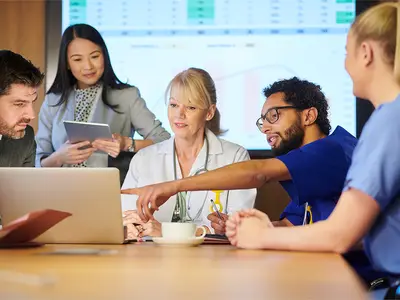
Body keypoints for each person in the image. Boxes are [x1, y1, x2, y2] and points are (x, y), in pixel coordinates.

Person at [222, 2, 399, 298]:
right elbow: (363, 232)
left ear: (366, 53)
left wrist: (261, 236)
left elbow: (341, 235)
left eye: (346, 52)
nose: (344, 64)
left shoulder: (387, 123)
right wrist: (273, 231)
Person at [122, 77, 357, 231]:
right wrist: (235, 227)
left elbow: (259, 173)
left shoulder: (333, 150)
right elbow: (288, 224)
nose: (265, 127)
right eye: (262, 120)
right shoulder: (311, 167)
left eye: (274, 116)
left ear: (308, 116)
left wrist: (174, 186)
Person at [122, 68, 256, 238]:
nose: (179, 114)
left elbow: (241, 227)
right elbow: (125, 218)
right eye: (173, 105)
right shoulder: (143, 159)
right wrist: (133, 226)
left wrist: (166, 231)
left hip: (214, 260)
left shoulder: (235, 156)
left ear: (209, 112)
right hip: (152, 258)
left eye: (191, 107)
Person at [35, 24, 170, 174]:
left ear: (104, 56)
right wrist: (59, 157)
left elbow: (164, 140)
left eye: (94, 56)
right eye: (77, 59)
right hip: (61, 192)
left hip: (112, 190)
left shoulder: (127, 96)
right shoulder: (53, 101)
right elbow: (38, 161)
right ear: (66, 63)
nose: (88, 66)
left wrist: (127, 144)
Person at [0, 50, 44, 167]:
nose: (31, 115)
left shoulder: (26, 138)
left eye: (32, 103)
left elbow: (27, 185)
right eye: (19, 104)